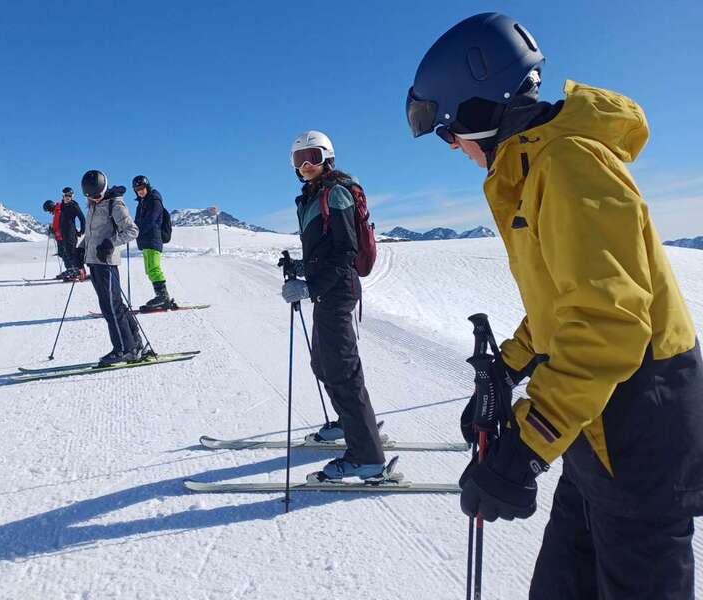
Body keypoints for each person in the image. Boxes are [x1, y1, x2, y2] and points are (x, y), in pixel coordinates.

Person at [407, 12, 703, 599]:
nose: (453, 147)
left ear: (477, 112)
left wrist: (527, 445)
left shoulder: (568, 167)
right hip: (594, 416)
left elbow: (610, 324)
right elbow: (565, 305)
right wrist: (511, 364)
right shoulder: (536, 168)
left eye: (448, 131)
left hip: (637, 419)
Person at [281, 130, 387, 481]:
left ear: (327, 157)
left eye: (312, 157)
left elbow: (345, 252)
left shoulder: (336, 194)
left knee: (342, 370)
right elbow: (324, 249)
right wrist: (299, 267)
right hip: (328, 290)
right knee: (323, 363)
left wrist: (309, 286)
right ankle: (347, 424)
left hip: (337, 291)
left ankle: (367, 456)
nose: (306, 165)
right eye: (299, 160)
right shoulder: (314, 195)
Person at [79, 169, 147, 366]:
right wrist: (80, 248)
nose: (94, 199)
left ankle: (123, 350)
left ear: (104, 188)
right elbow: (92, 234)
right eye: (91, 196)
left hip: (107, 263)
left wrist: (110, 243)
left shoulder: (114, 204)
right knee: (113, 305)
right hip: (94, 262)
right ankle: (134, 344)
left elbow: (132, 231)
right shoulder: (92, 205)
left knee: (112, 307)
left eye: (97, 195)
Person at [132, 175, 176, 310]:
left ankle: (163, 297)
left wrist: (137, 231)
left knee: (154, 268)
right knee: (149, 269)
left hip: (153, 239)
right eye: (137, 189)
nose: (140, 191)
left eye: (142, 188)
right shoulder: (141, 203)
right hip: (146, 240)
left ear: (147, 187)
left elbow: (151, 220)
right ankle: (161, 296)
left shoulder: (154, 200)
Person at [57, 186, 87, 281]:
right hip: (64, 233)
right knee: (68, 253)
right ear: (63, 195)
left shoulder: (74, 205)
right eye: (66, 195)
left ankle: (79, 273)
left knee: (72, 253)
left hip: (71, 233)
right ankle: (74, 272)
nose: (68, 197)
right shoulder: (62, 205)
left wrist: (81, 231)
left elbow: (82, 218)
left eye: (69, 195)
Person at [42, 199, 69, 279]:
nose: (49, 212)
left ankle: (71, 271)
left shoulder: (59, 212)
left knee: (65, 254)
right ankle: (70, 270)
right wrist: (53, 229)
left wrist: (55, 231)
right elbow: (56, 225)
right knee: (62, 254)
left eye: (48, 210)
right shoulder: (57, 212)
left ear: (50, 208)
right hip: (59, 237)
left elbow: (62, 225)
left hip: (62, 237)